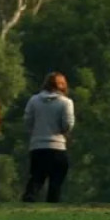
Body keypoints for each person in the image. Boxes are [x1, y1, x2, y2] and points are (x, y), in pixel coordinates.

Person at [22, 72, 75, 203]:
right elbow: (67, 124)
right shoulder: (65, 102)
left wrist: (35, 131)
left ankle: (28, 202)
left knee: (36, 178)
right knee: (56, 182)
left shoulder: (34, 100)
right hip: (57, 146)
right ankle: (52, 205)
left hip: (37, 146)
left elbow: (27, 121)